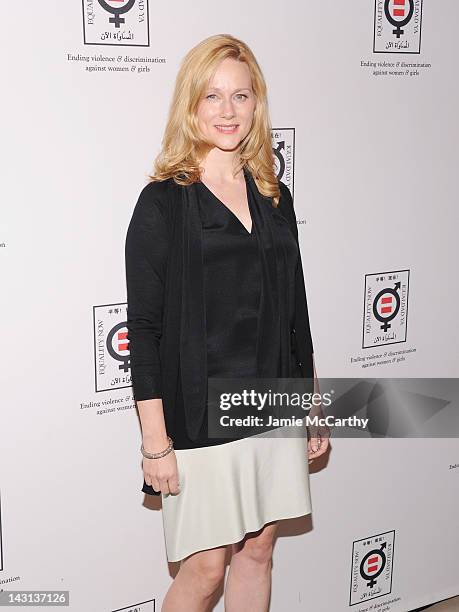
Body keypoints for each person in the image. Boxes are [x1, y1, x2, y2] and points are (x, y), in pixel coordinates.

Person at [125, 33, 329, 612]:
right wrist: (156, 443)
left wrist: (312, 403)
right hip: (199, 413)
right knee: (206, 569)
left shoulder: (274, 197)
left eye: (240, 96)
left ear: (256, 104)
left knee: (259, 555)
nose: (227, 110)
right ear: (191, 105)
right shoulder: (163, 202)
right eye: (212, 96)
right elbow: (143, 328)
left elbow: (297, 309)